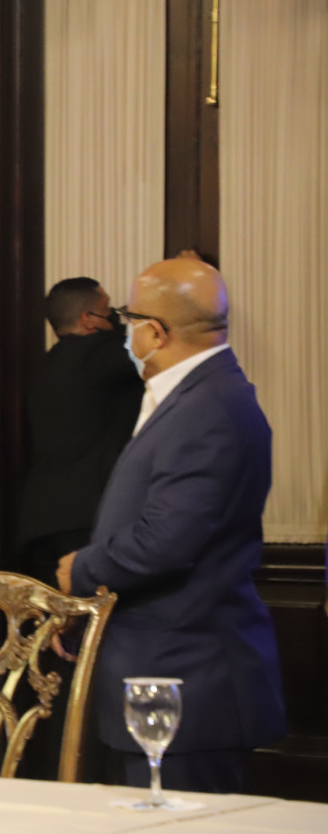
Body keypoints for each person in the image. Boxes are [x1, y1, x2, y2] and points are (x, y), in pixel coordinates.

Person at [58, 256, 285, 794]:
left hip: (189, 680)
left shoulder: (210, 408)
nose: (124, 331)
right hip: (160, 672)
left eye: (128, 318)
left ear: (155, 332)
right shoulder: (193, 395)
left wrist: (80, 570)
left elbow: (165, 541)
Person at [16, 278, 142, 587]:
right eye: (109, 310)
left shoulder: (46, 364)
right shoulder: (99, 354)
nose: (116, 319)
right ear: (89, 320)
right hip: (86, 520)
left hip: (40, 522)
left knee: (53, 615)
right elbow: (158, 342)